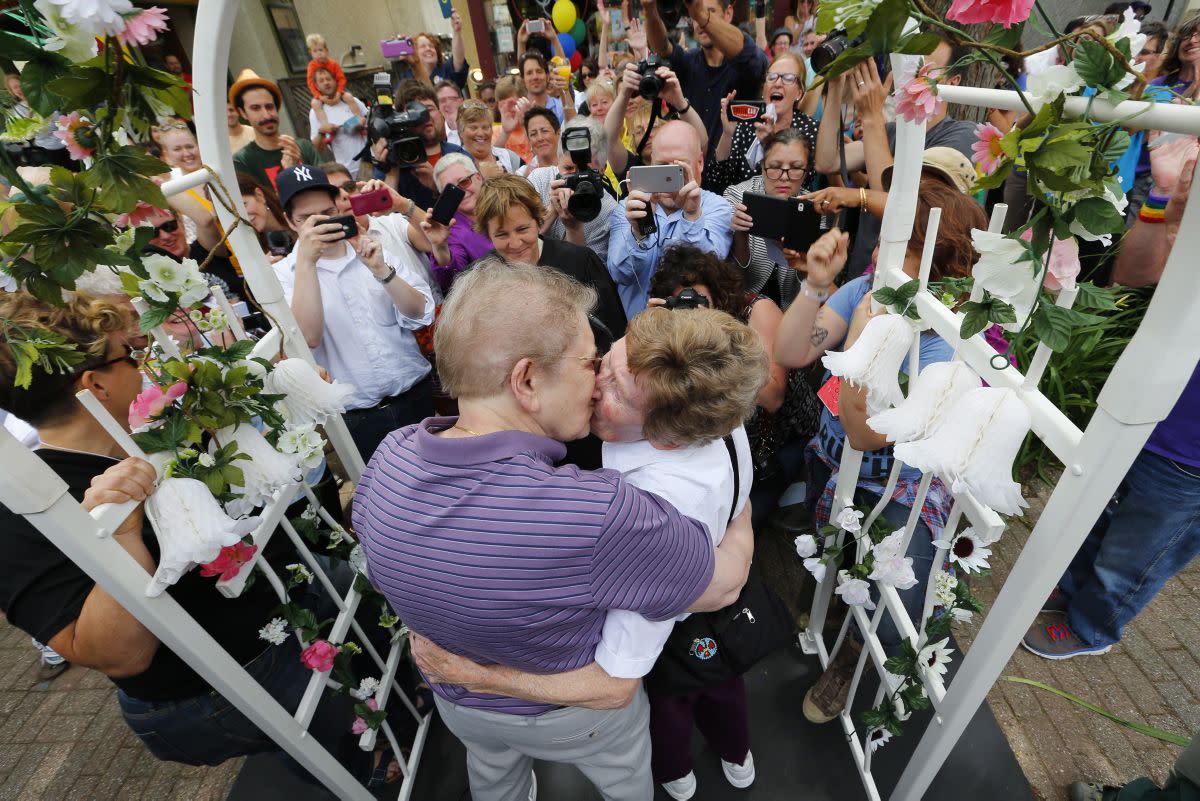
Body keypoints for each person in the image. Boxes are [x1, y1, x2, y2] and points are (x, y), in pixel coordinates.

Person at [352, 260, 754, 801]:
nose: (596, 384)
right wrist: (740, 507)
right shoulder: (603, 515)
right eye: (591, 364)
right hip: (570, 714)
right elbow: (723, 584)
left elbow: (386, 576)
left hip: (457, 703)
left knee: (494, 778)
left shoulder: (387, 459)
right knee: (626, 779)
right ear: (527, 380)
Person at [0, 291, 376, 782]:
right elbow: (119, 654)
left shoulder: (149, 430)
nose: (143, 365)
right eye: (129, 355)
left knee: (365, 614)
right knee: (343, 745)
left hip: (271, 607)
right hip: (214, 686)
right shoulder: (29, 508)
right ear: (94, 385)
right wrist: (122, 532)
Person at [775, 177, 989, 724]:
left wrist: (864, 351)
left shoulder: (949, 343)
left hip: (897, 485)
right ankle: (823, 590)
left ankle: (851, 653)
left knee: (882, 585)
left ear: (939, 262)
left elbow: (865, 433)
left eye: (900, 244)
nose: (878, 249)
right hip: (831, 460)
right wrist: (817, 286)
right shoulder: (869, 289)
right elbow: (792, 349)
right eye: (884, 238)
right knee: (833, 542)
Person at [1023, 157, 1199, 661]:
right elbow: (1135, 278)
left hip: (1190, 454)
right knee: (1099, 517)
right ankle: (1072, 590)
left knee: (1137, 553)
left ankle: (1091, 627)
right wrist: (1166, 203)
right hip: (1143, 413)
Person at [271, 165, 435, 461]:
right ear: (289, 221)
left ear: (339, 206)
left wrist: (383, 272)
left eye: (328, 212)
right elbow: (307, 336)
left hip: (416, 396)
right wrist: (307, 263)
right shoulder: (283, 274)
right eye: (308, 219)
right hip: (357, 419)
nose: (322, 224)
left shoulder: (371, 247)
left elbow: (421, 312)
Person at [650, 244, 820, 527]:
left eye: (700, 301)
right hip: (722, 433)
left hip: (780, 437)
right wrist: (652, 332)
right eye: (683, 304)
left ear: (718, 294)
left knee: (740, 523)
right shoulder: (675, 330)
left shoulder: (756, 310)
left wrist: (715, 340)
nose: (693, 313)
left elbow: (774, 396)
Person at [815, 39, 977, 274]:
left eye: (925, 71)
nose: (912, 78)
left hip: (905, 282)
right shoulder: (890, 131)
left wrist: (871, 117)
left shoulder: (961, 135)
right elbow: (827, 160)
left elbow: (906, 206)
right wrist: (836, 85)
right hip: (862, 273)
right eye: (911, 69)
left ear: (953, 82)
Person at [475, 174, 627, 340]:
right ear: (488, 234)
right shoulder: (479, 281)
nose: (516, 243)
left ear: (538, 220)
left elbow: (614, 335)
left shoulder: (581, 263)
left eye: (522, 229)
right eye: (502, 235)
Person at [608, 120, 733, 318]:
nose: (669, 177)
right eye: (661, 166)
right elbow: (620, 274)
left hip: (690, 330)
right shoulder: (630, 207)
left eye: (677, 168)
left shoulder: (717, 207)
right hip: (638, 332)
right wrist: (639, 232)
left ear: (699, 163)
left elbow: (707, 273)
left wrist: (691, 216)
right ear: (650, 163)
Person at [643, 0, 770, 163]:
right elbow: (662, 48)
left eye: (709, 11)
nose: (700, 21)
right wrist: (649, 8)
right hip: (693, 175)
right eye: (695, 15)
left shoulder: (747, 64)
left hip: (737, 179)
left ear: (728, 14)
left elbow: (748, 54)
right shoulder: (687, 62)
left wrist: (702, 15)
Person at [723, 128, 816, 308]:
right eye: (775, 167)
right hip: (741, 306)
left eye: (796, 168)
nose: (784, 177)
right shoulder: (737, 196)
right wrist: (740, 235)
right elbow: (731, 278)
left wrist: (803, 257)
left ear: (806, 171)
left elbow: (811, 286)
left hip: (792, 311)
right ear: (762, 165)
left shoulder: (814, 207)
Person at [708, 51, 818, 195]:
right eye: (772, 77)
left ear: (799, 92)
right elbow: (716, 181)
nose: (778, 83)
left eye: (788, 78)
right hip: (744, 212)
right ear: (763, 89)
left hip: (791, 211)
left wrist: (769, 145)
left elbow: (806, 180)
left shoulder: (811, 129)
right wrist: (728, 134)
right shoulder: (747, 125)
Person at [526, 115, 619, 262]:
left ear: (602, 169)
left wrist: (574, 228)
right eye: (569, 169)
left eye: (584, 170)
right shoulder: (539, 181)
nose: (577, 177)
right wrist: (552, 210)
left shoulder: (608, 211)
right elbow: (519, 242)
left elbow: (587, 274)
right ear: (558, 161)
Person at [603, 61, 710, 185]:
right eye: (639, 131)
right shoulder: (632, 169)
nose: (647, 134)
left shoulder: (683, 163)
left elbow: (701, 143)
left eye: (653, 127)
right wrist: (624, 94)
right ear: (633, 140)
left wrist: (679, 102)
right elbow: (608, 139)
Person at [378, 82, 469, 212]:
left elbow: (476, 206)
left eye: (429, 109)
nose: (425, 116)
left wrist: (437, 185)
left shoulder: (459, 155)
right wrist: (392, 175)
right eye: (415, 111)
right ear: (402, 119)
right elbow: (382, 218)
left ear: (440, 112)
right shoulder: (391, 162)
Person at [416, 154, 494, 295]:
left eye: (464, 182)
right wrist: (440, 246)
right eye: (451, 190)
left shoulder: (503, 201)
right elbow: (452, 280)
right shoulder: (450, 231)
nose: (462, 193)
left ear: (478, 177)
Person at [230, 70, 320, 190]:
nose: (266, 115)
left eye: (269, 106)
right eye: (256, 108)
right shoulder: (242, 161)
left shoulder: (303, 147)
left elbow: (327, 188)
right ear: (243, 113)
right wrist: (289, 174)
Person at [307, 67, 367, 176]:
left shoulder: (352, 101)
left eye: (328, 79)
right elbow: (316, 149)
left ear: (335, 80)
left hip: (368, 164)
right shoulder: (315, 111)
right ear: (316, 86)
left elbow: (372, 123)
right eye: (321, 80)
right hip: (345, 170)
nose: (326, 83)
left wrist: (362, 124)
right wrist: (322, 131)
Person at [393, 16, 469, 89]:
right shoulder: (407, 79)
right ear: (414, 53)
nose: (428, 48)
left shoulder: (446, 70)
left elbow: (458, 59)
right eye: (423, 46)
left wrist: (457, 32)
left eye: (431, 46)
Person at [457, 100, 522, 177]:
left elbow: (526, 186)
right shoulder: (455, 164)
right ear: (461, 131)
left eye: (485, 127)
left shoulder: (508, 157)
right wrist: (482, 177)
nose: (480, 133)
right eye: (473, 128)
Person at [519, 50, 574, 125]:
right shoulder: (517, 109)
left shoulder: (560, 106)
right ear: (523, 80)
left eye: (539, 71)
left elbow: (574, 126)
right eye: (529, 73)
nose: (535, 77)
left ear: (547, 76)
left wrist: (565, 90)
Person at [493, 75, 532, 162]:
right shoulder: (493, 132)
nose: (509, 109)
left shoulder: (537, 127)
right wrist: (506, 133)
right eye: (503, 104)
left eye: (513, 103)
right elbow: (492, 160)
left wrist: (526, 123)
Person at [519, 105, 561, 176]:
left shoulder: (573, 166)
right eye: (533, 134)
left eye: (545, 131)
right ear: (529, 140)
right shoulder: (522, 174)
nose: (540, 138)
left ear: (558, 133)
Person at [436, 80, 465, 146]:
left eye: (452, 99)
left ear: (461, 101)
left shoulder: (476, 126)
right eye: (442, 100)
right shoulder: (438, 137)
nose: (448, 104)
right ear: (437, 106)